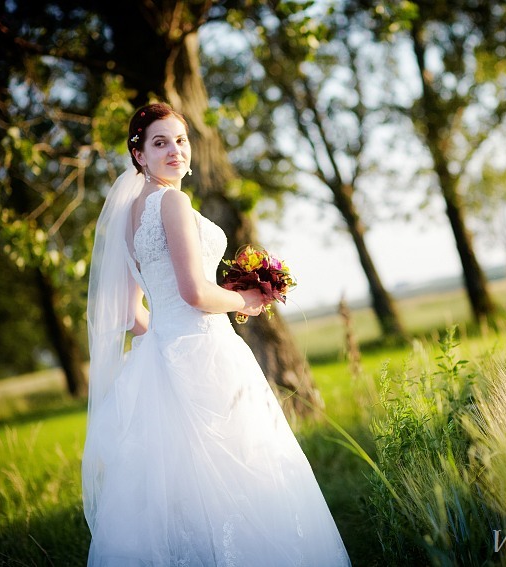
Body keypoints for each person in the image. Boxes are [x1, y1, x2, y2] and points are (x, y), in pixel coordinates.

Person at [82, 102, 351, 566]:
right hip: (207, 353)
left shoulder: (127, 215)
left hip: (161, 358)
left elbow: (132, 315)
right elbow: (194, 294)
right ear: (139, 154)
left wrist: (163, 341)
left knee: (182, 491)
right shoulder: (172, 201)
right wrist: (247, 301)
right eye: (160, 142)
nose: (174, 150)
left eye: (181, 140)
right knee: (241, 473)